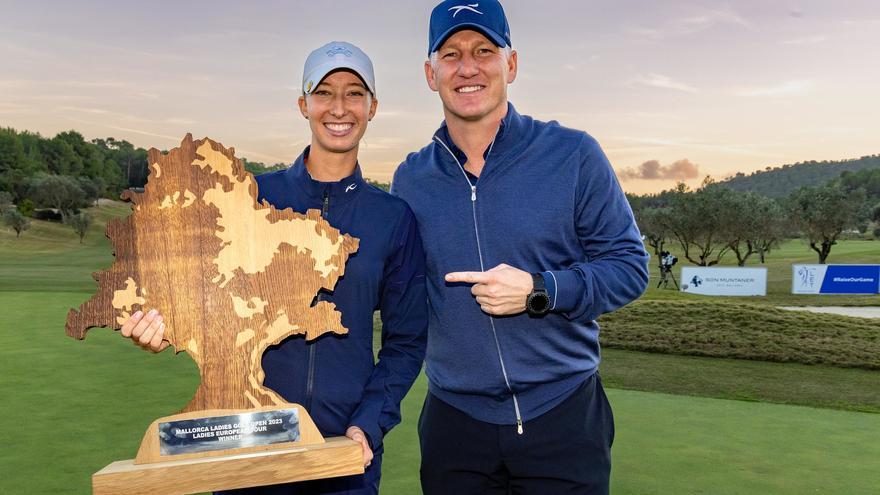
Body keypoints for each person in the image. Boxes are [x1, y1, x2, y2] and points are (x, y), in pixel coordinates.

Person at [121, 41, 427, 495]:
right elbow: (198, 300)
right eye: (324, 92)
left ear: (372, 107)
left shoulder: (392, 218)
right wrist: (160, 328)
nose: (338, 107)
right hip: (246, 449)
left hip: (344, 453)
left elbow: (406, 342)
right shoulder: (249, 198)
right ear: (303, 104)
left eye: (354, 93)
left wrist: (368, 425)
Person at [391, 1, 650, 493]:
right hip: (454, 423)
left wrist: (539, 289)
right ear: (430, 73)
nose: (467, 67)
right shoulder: (411, 178)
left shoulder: (572, 153)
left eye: (484, 50)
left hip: (563, 416)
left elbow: (629, 268)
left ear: (511, 64)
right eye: (451, 54)